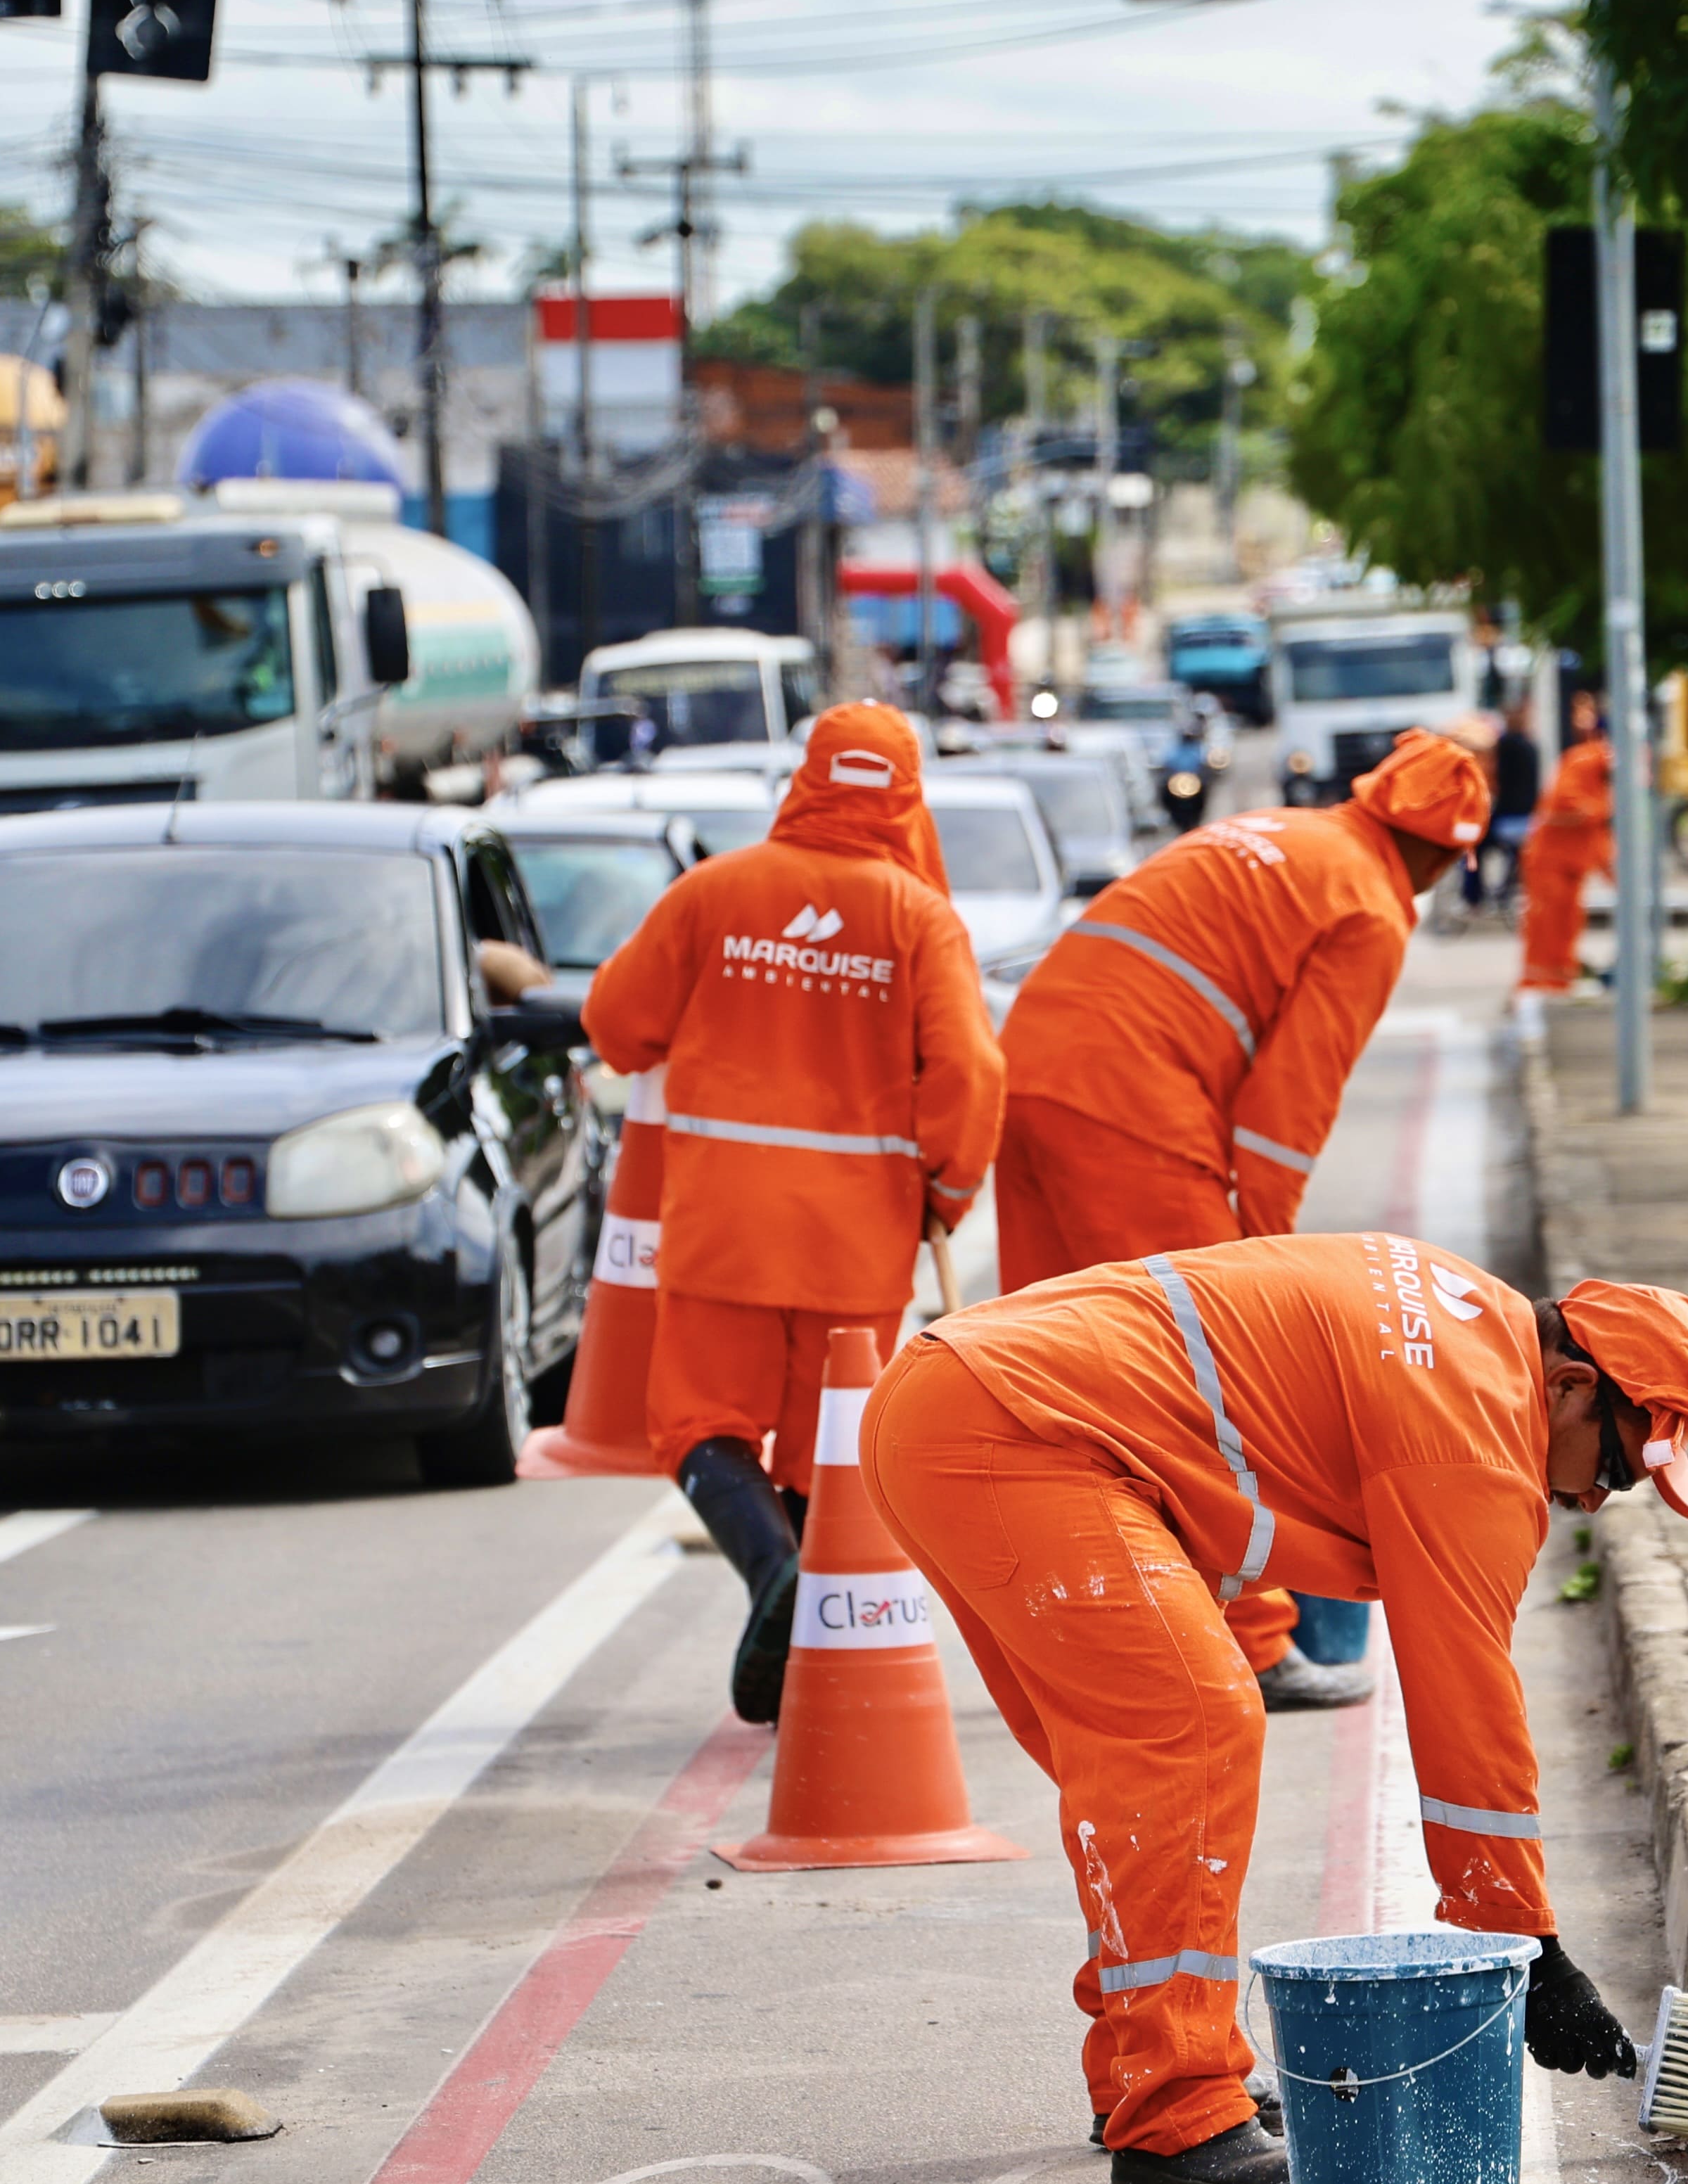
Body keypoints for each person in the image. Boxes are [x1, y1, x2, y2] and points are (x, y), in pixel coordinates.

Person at [862, 1243, 1688, 2184]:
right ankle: (1178, 2119)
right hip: (1020, 1435)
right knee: (1192, 1727)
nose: (1595, 1499)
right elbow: (1470, 1709)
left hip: (957, 1406)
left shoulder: (1463, 1316)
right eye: (1616, 1463)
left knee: (1137, 1774)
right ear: (1569, 1385)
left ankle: (1152, 2067)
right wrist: (1530, 1948)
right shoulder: (1476, 1435)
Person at [990, 723, 1492, 1707]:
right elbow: (1284, 1118)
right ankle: (1257, 1646)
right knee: (1208, 1376)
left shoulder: (1283, 833)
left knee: (1058, 1372)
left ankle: (1061, 1626)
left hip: (1038, 1067)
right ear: (1446, 850)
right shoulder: (1369, 908)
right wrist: (1261, 1278)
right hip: (1131, 1096)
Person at [582, 701, 1006, 1723]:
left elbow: (616, 1025)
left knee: (698, 1425)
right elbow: (971, 1072)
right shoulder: (916, 918)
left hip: (721, 1228)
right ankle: (811, 1615)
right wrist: (946, 1191)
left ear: (805, 778)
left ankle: (772, 1576)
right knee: (833, 1444)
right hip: (855, 1242)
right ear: (908, 798)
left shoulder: (715, 893)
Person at [1525, 689, 1615, 994]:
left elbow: (1597, 834)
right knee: (1548, 925)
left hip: (1569, 863)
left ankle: (1560, 980)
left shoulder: (1595, 767)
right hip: (1550, 861)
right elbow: (1570, 804)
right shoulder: (1585, 762)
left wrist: (1613, 872)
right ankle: (1540, 983)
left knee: (1568, 923)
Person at [1480, 701, 1542, 921]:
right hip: (1530, 818)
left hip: (1510, 818)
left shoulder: (1506, 746)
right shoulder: (1531, 745)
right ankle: (1505, 889)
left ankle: (1474, 897)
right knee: (1512, 852)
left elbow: (1495, 779)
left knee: (1474, 846)